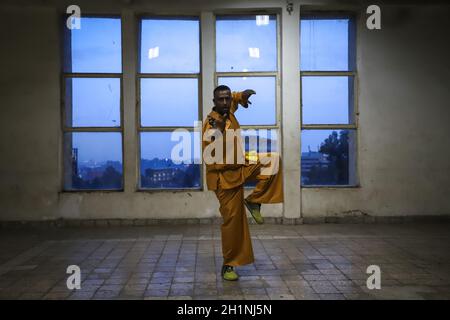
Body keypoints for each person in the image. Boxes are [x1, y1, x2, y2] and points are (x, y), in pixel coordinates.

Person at [202, 85, 284, 281]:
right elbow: (210, 153)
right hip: (224, 179)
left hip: (240, 165)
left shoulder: (228, 109)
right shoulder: (211, 123)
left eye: (227, 99)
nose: (225, 102)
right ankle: (228, 265)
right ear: (214, 102)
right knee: (234, 223)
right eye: (220, 100)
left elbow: (234, 97)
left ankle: (254, 200)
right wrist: (219, 133)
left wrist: (241, 96)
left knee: (272, 160)